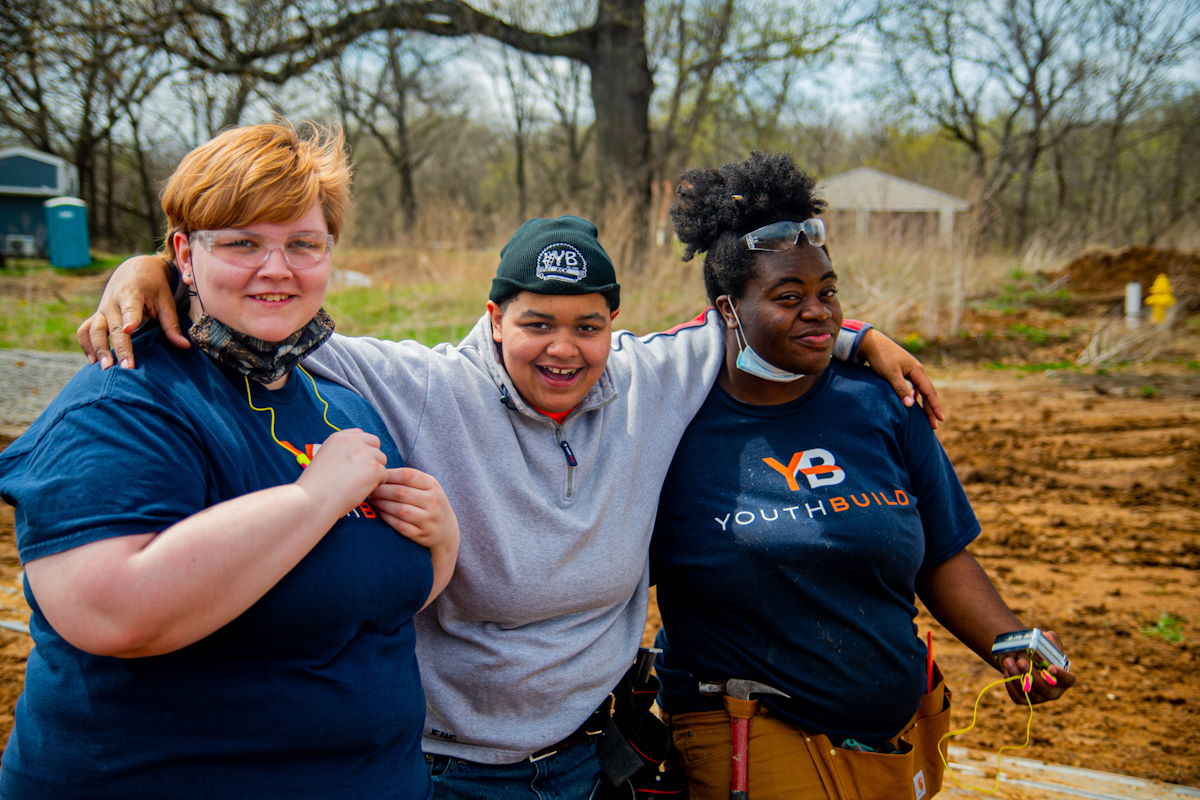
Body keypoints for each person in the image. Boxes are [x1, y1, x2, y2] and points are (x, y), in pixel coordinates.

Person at [79, 209, 941, 798]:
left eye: (587, 324)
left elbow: (765, 316)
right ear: (494, 318)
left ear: (615, 324)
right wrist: (157, 270)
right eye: (536, 322)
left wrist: (862, 336)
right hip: (440, 765)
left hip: (585, 759)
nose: (563, 349)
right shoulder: (420, 384)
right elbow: (272, 311)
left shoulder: (653, 374)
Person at [0, 122, 459, 799]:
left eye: (304, 244)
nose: (278, 268)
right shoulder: (125, 402)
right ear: (184, 254)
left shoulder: (341, 405)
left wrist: (441, 542)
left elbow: (376, 598)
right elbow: (114, 613)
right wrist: (311, 501)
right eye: (243, 243)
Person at [648, 151, 1075, 800]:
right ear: (728, 312)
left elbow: (942, 553)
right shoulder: (671, 420)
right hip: (749, 733)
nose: (818, 312)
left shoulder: (879, 400)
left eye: (828, 293)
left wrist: (1008, 642)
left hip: (893, 740)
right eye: (789, 298)